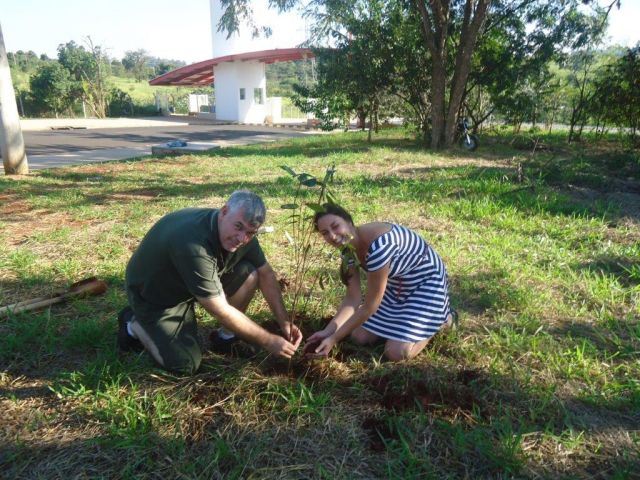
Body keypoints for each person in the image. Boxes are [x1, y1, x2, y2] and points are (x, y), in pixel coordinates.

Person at [117, 190, 302, 374]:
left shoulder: (240, 233)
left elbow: (266, 274)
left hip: (188, 280)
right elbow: (219, 309)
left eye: (250, 233)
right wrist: (269, 341)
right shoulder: (193, 245)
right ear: (223, 212)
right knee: (185, 364)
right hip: (157, 296)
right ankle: (133, 324)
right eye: (238, 227)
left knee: (250, 273)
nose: (242, 238)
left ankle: (225, 338)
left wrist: (284, 321)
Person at [306, 204, 454, 362]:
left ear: (349, 221)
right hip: (396, 285)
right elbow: (352, 299)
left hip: (425, 284)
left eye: (335, 226)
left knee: (396, 353)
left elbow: (370, 306)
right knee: (358, 337)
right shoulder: (347, 250)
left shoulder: (379, 247)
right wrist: (328, 332)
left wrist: (334, 339)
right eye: (325, 233)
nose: (333, 236)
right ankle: (403, 322)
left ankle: (441, 319)